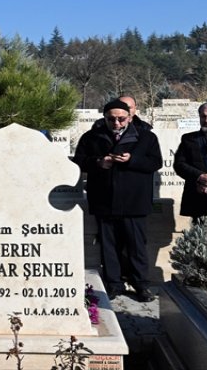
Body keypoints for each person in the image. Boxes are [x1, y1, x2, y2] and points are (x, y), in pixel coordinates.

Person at [75, 99, 161, 302]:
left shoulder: (146, 137)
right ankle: (113, 284)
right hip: (105, 200)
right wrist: (98, 162)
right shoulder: (92, 137)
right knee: (108, 245)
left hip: (134, 201)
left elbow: (155, 162)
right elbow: (79, 160)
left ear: (130, 117)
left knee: (136, 246)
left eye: (121, 119)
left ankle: (141, 285)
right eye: (111, 119)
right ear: (104, 118)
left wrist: (132, 160)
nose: (116, 123)